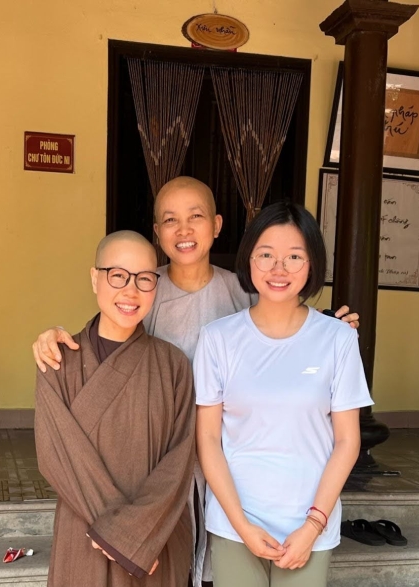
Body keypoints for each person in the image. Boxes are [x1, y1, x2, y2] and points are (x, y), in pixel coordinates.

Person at [32, 177, 360, 585]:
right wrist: (53, 337)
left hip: (228, 456)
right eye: (170, 220)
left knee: (209, 561)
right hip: (152, 455)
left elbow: (283, 327)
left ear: (218, 225)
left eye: (196, 217)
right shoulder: (146, 287)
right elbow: (110, 338)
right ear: (157, 233)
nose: (184, 230)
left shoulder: (243, 291)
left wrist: (328, 328)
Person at [194, 201, 372, 587]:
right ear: (249, 259)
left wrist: (313, 526)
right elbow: (207, 439)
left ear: (311, 265)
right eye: (266, 255)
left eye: (294, 256)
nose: (279, 269)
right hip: (235, 523)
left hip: (309, 523)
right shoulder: (217, 338)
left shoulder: (338, 340)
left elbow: (347, 441)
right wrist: (240, 525)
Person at [35, 230, 196, 587]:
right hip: (86, 533)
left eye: (144, 279)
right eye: (118, 275)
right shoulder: (58, 359)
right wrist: (125, 537)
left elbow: (180, 460)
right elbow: (55, 457)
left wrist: (139, 534)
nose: (131, 291)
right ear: (95, 278)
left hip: (157, 538)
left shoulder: (173, 365)